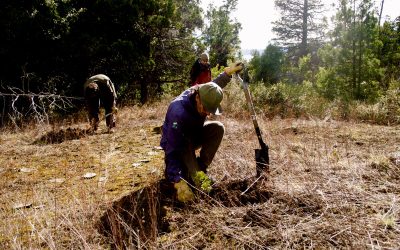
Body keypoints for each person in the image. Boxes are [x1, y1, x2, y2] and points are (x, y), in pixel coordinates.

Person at [160, 62, 243, 202]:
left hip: (193, 133)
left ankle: (201, 167)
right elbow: (171, 149)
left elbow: (213, 87)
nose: (207, 114)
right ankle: (190, 174)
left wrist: (227, 74)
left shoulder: (202, 91)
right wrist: (177, 180)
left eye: (210, 111)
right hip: (180, 142)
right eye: (205, 109)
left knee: (217, 128)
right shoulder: (178, 113)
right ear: (197, 98)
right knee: (198, 182)